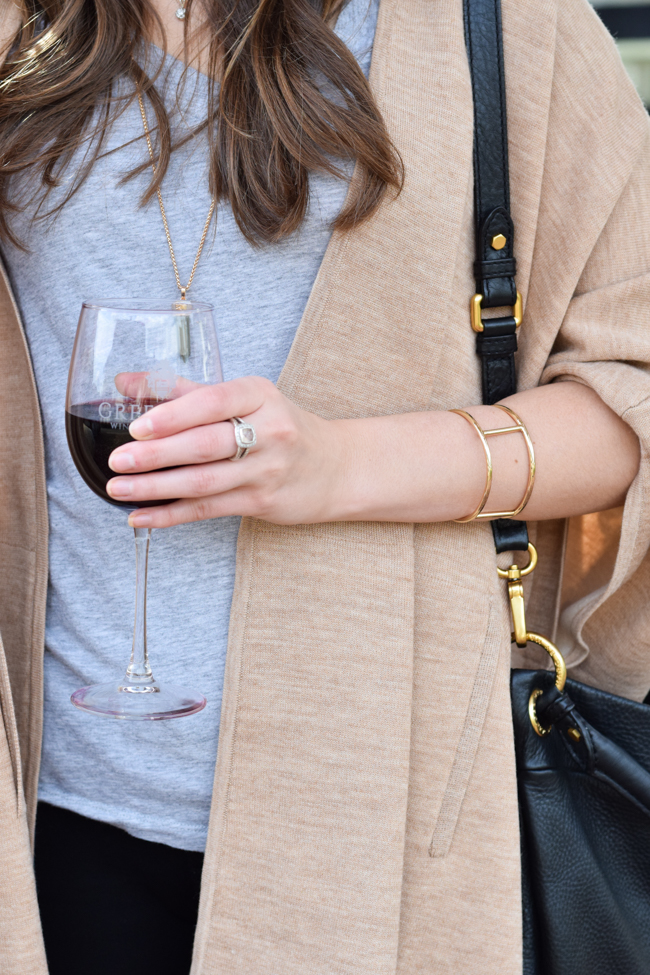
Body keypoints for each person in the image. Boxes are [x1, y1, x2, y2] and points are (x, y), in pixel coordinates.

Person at [0, 0, 648, 973]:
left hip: (384, 816)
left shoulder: (509, 30)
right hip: (46, 808)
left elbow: (630, 396)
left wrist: (339, 464)